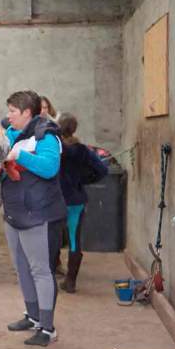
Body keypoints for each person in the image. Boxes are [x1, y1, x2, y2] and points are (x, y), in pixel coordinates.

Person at [0, 90, 67, 347]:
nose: (8, 116)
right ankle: (33, 316)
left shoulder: (47, 135)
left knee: (40, 270)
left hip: (39, 214)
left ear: (26, 113)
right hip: (14, 212)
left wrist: (20, 156)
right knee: (22, 267)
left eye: (12, 111)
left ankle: (47, 329)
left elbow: (49, 168)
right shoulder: (11, 134)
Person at [55, 113, 108, 293]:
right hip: (75, 201)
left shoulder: (55, 149)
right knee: (73, 240)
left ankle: (51, 272)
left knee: (52, 237)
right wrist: (83, 180)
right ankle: (70, 281)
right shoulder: (83, 150)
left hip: (54, 200)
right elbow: (102, 170)